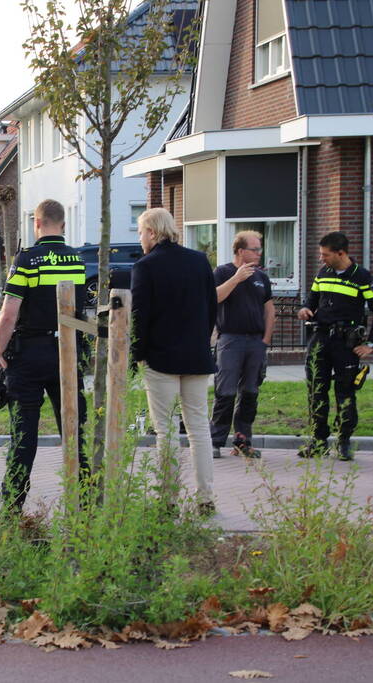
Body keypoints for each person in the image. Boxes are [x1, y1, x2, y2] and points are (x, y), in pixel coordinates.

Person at [0, 199, 88, 510]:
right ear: (62, 224)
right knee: (74, 430)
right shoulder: (75, 260)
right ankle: (85, 500)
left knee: (24, 435)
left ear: (37, 224)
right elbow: (78, 311)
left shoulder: (27, 259)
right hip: (66, 352)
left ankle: (12, 507)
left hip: (29, 356)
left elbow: (9, 314)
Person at [131, 207, 217, 515]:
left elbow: (139, 318)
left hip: (161, 357)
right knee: (198, 429)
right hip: (196, 356)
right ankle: (206, 498)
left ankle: (168, 499)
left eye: (141, 232)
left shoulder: (146, 266)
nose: (140, 239)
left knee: (165, 430)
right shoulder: (199, 261)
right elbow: (211, 308)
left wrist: (136, 355)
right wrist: (200, 341)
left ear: (152, 233)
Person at [297, 231, 373, 461]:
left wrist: (370, 344)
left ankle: (344, 441)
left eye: (325, 255)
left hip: (346, 344)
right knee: (316, 391)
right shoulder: (323, 273)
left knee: (345, 393)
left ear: (341, 253)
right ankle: (318, 442)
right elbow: (312, 300)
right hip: (320, 339)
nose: (321, 259)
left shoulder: (361, 276)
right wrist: (305, 309)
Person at [210, 230, 274, 459]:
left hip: (255, 341)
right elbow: (214, 297)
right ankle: (216, 440)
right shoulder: (222, 272)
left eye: (260, 249)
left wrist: (265, 340)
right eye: (254, 249)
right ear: (240, 251)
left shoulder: (261, 277)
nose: (259, 253)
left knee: (250, 392)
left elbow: (269, 309)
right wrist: (237, 278)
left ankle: (242, 440)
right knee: (225, 391)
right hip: (230, 340)